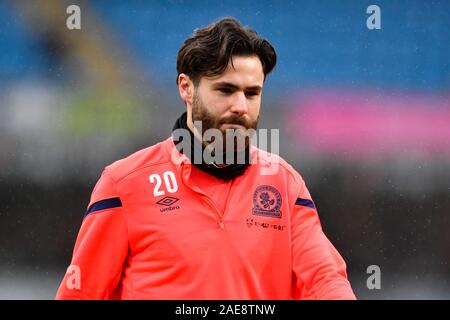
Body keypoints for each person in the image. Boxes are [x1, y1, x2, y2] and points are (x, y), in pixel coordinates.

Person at [56, 17, 356, 300]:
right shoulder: (123, 184)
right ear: (186, 88)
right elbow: (81, 291)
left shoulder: (285, 184)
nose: (240, 106)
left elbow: (324, 278)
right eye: (226, 89)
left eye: (252, 93)